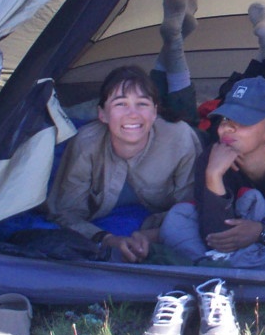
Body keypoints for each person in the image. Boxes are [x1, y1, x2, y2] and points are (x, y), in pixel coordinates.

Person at [158, 76, 265, 267]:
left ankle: (221, 264)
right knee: (178, 218)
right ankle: (236, 262)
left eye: (243, 120)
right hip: (237, 230)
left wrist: (262, 231)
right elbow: (216, 238)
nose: (228, 127)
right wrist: (213, 177)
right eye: (226, 118)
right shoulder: (212, 158)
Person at [45, 62, 203, 262]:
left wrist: (150, 236)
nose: (133, 114)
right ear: (102, 114)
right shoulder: (86, 144)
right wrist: (107, 239)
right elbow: (66, 212)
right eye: (120, 104)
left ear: (155, 112)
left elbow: (192, 207)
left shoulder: (179, 139)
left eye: (142, 104)